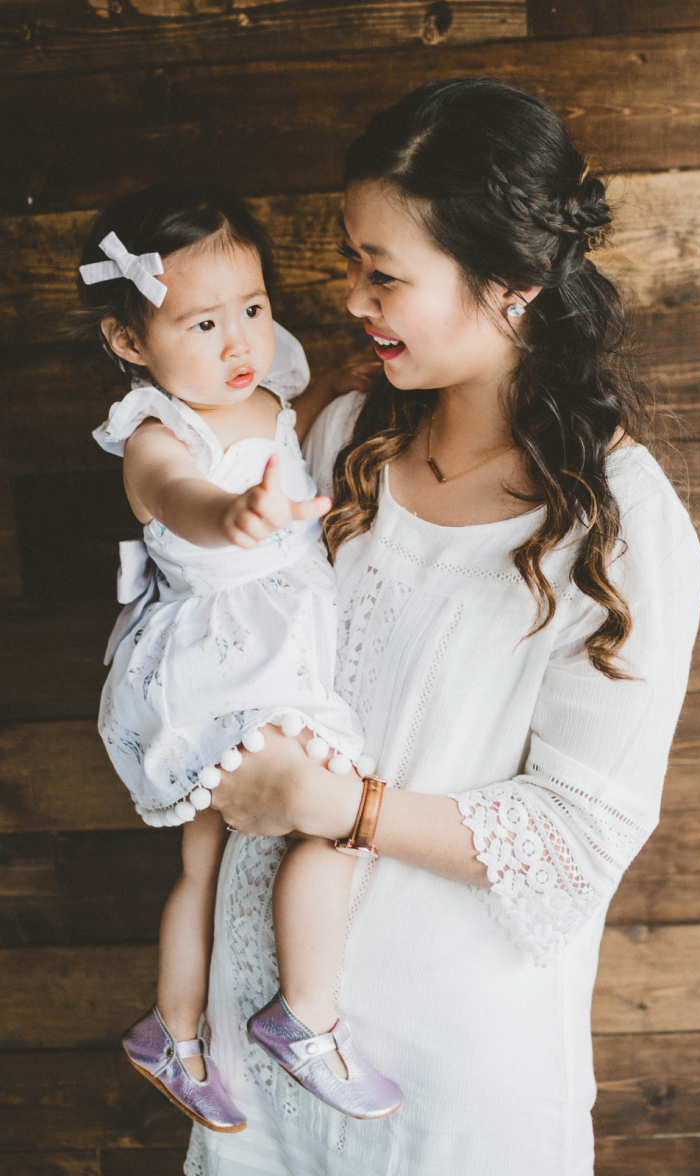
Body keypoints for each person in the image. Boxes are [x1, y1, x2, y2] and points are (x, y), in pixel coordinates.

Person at [186, 78, 700, 1175]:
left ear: (510, 283)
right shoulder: (335, 442)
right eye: (348, 260)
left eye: (385, 274)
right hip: (255, 1055)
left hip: (446, 1086)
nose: (352, 297)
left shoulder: (619, 527)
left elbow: (578, 833)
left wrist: (339, 805)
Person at [78, 181, 402, 1134]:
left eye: (253, 310)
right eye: (202, 322)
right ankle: (304, 1016)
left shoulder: (266, 390)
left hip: (282, 636)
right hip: (220, 654)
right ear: (130, 343)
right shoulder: (154, 436)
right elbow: (182, 499)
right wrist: (237, 515)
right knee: (331, 815)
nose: (238, 342)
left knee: (209, 855)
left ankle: (171, 1030)